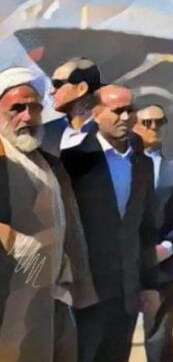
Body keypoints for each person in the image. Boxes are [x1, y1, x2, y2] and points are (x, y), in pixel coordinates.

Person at [0, 67, 96, 361]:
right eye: (17, 108)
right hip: (12, 299)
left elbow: (70, 224)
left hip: (54, 295)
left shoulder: (49, 163)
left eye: (35, 108)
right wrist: (25, 249)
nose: (27, 116)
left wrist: (77, 281)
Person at [60, 84, 157, 362]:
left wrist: (149, 283)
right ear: (96, 113)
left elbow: (146, 227)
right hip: (86, 290)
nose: (125, 117)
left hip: (126, 292)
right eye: (117, 111)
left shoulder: (142, 163)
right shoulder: (74, 161)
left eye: (130, 110)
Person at [133, 104, 173, 362]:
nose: (153, 128)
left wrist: (168, 246)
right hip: (118, 264)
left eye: (159, 122)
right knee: (110, 335)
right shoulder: (116, 163)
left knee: (159, 336)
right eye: (146, 122)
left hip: (160, 264)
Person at [43, 58, 102, 156]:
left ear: (81, 88)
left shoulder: (108, 128)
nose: (52, 91)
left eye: (57, 84)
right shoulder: (47, 134)